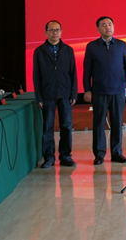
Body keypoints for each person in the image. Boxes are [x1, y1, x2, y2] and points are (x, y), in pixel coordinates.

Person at [83, 16, 126, 165]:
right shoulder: (92, 46)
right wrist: (87, 90)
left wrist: (123, 85)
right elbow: (87, 71)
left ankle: (117, 153)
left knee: (117, 122)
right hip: (99, 91)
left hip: (118, 91)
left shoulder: (122, 45)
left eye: (110, 24)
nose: (107, 27)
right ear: (98, 29)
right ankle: (99, 154)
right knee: (98, 123)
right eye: (103, 25)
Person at [33, 20, 78, 168]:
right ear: (46, 33)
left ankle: (65, 156)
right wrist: (39, 97)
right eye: (51, 30)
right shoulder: (39, 51)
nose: (55, 33)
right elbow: (36, 76)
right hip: (47, 94)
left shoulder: (68, 50)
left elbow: (73, 73)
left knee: (66, 126)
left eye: (57, 30)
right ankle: (49, 158)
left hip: (65, 94)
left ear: (61, 32)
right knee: (48, 127)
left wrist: (74, 93)